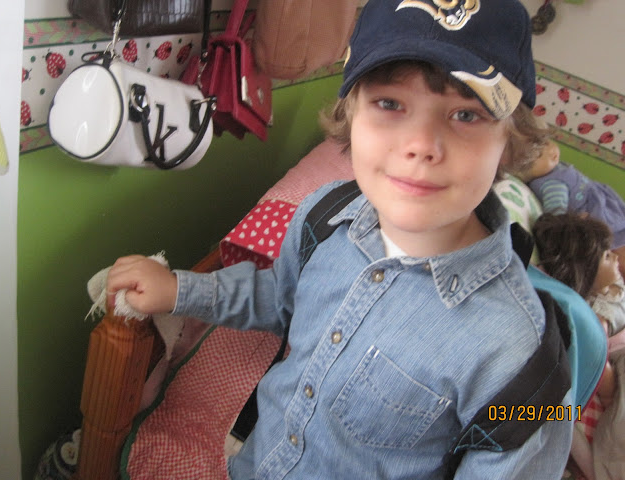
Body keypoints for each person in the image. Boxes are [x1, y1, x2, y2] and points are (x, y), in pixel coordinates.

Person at [107, 1, 573, 478]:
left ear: (510, 142)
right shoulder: (325, 215)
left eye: (466, 115)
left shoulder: (520, 361)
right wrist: (180, 290)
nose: (420, 145)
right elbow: (281, 297)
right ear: (350, 116)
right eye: (390, 104)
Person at [533, 212, 624, 408]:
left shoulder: (609, 285)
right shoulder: (594, 316)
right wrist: (609, 396)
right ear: (587, 270)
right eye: (607, 256)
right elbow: (598, 358)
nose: (616, 257)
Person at [519, 138, 625, 278]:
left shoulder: (552, 168)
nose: (552, 151)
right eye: (539, 155)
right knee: (617, 250)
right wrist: (575, 221)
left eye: (546, 142)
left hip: (603, 204)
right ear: (525, 170)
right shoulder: (551, 185)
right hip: (598, 217)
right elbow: (557, 216)